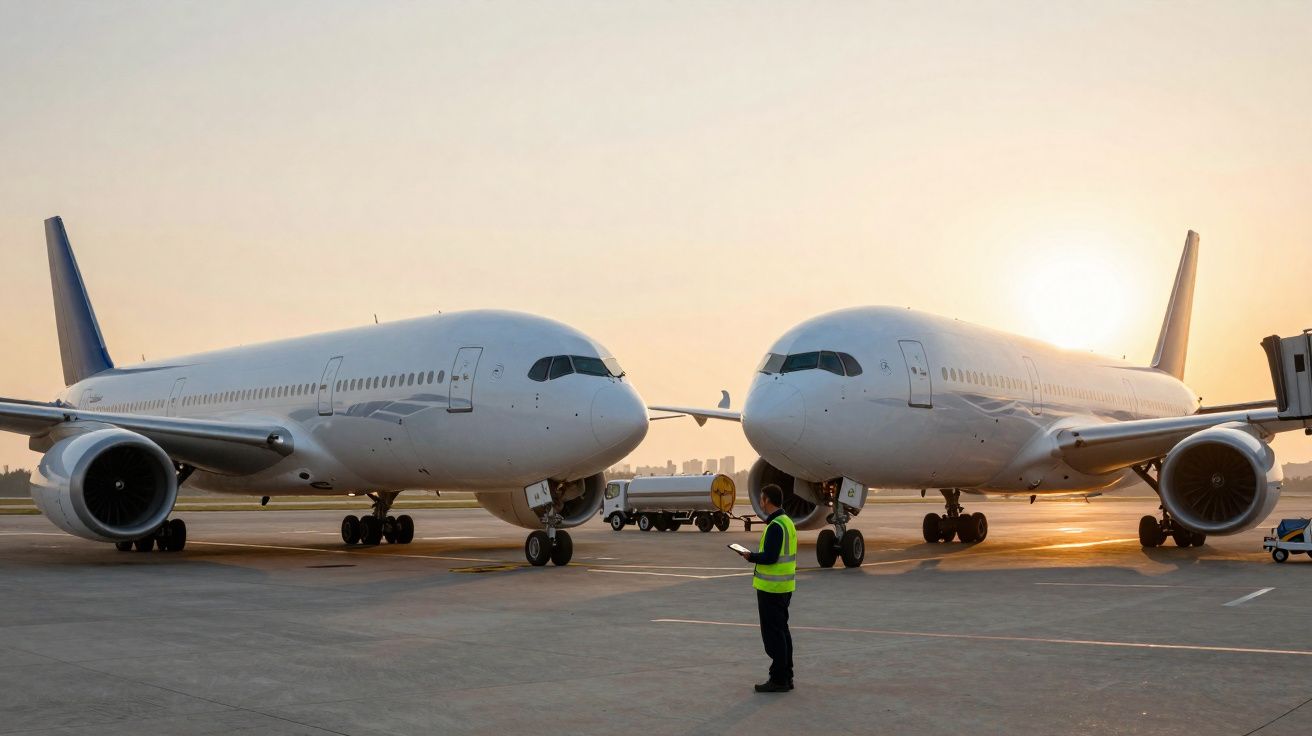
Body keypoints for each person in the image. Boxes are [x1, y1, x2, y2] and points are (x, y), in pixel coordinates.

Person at [737, 483, 796, 692]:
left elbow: (770, 557)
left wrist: (750, 556)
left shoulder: (775, 526)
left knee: (773, 636)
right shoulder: (787, 522)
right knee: (782, 632)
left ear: (767, 500)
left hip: (772, 588)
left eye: (762, 499)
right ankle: (786, 676)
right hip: (784, 586)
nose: (760, 502)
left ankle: (778, 679)